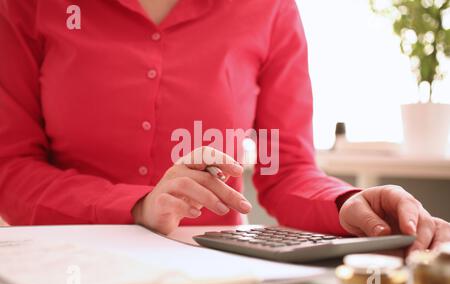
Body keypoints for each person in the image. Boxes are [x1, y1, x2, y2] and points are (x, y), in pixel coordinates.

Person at [0, 0, 448, 253]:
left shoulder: (270, 9)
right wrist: (137, 205)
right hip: (63, 265)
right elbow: (11, 169)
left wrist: (345, 203)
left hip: (215, 280)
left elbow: (287, 168)